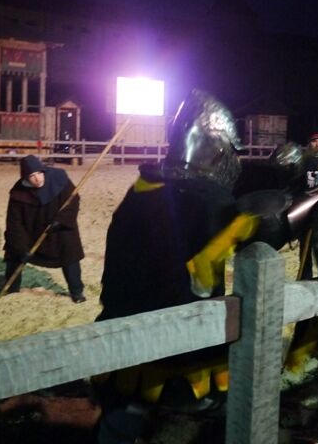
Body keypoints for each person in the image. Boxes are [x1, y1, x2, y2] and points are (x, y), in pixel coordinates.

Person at [93, 89, 258, 444]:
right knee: (187, 422)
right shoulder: (206, 198)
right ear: (215, 148)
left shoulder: (141, 189)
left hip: (123, 327)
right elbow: (258, 228)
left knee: (123, 418)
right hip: (181, 343)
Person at [3, 155, 86, 302]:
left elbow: (73, 200)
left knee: (70, 250)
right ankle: (11, 288)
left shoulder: (59, 179)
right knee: (13, 250)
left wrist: (62, 220)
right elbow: (14, 223)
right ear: (25, 178)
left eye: (39, 173)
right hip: (32, 231)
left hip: (58, 228)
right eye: (32, 176)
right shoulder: (18, 193)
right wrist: (21, 247)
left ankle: (77, 291)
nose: (37, 179)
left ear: (44, 171)